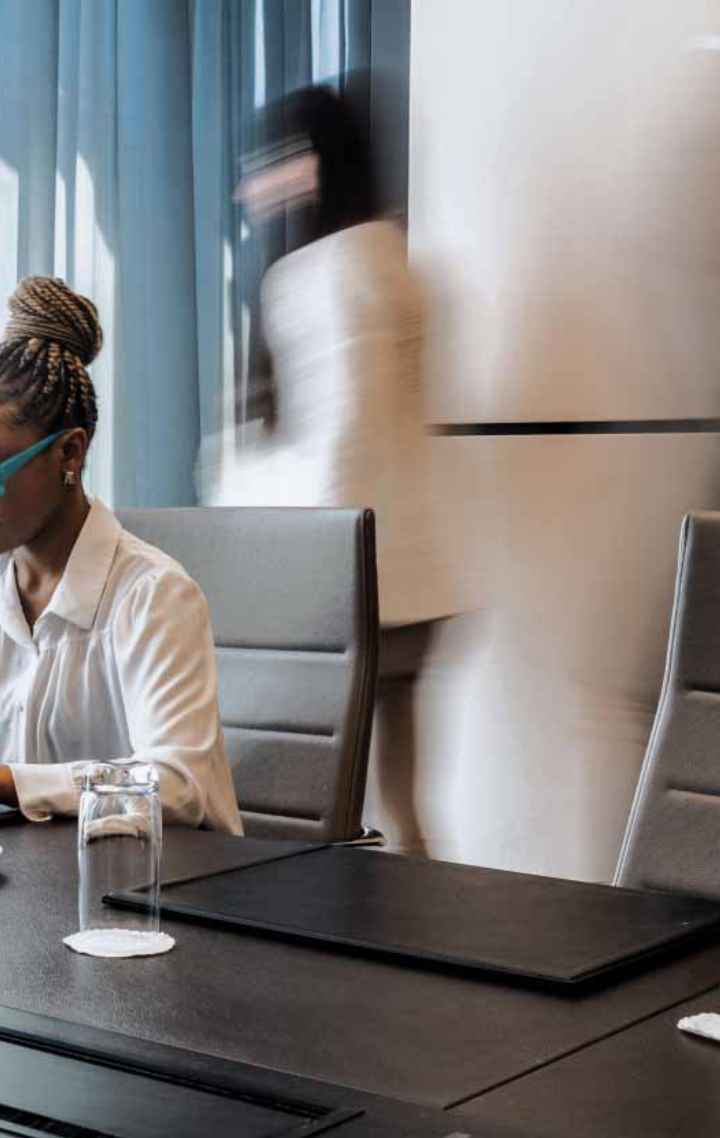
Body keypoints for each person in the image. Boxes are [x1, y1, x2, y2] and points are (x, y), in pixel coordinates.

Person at [0, 276, 242, 833]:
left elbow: (176, 786)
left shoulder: (153, 595)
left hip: (164, 887)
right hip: (33, 884)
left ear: (69, 452)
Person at [206, 83, 456, 855]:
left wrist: (291, 570)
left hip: (345, 583)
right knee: (402, 807)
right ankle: (419, 952)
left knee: (311, 810)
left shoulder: (313, 273)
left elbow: (341, 437)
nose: (248, 188)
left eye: (263, 167)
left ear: (308, 167)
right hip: (419, 576)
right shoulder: (397, 264)